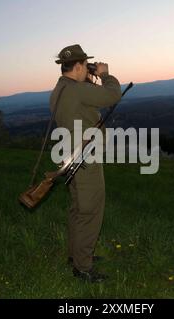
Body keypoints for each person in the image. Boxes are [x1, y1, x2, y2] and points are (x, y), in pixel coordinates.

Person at [49, 44, 121, 283]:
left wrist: (89, 79)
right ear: (79, 66)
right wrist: (105, 75)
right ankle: (83, 267)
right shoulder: (78, 90)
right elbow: (112, 95)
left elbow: (84, 105)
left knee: (77, 208)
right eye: (85, 66)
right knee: (90, 211)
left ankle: (77, 255)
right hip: (85, 158)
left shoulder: (60, 89)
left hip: (69, 155)